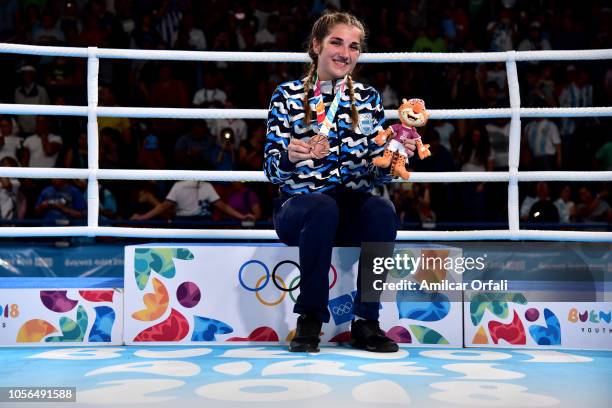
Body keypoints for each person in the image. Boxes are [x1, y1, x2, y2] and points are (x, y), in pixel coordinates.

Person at [264, 11, 416, 353]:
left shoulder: (368, 98)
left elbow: (377, 173)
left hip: (346, 208)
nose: (345, 53)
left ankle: (366, 322)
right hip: (298, 209)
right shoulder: (286, 96)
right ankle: (310, 318)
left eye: (354, 46)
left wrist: (393, 158)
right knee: (322, 206)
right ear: (316, 45)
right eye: (336, 42)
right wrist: (291, 156)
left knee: (381, 209)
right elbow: (272, 170)